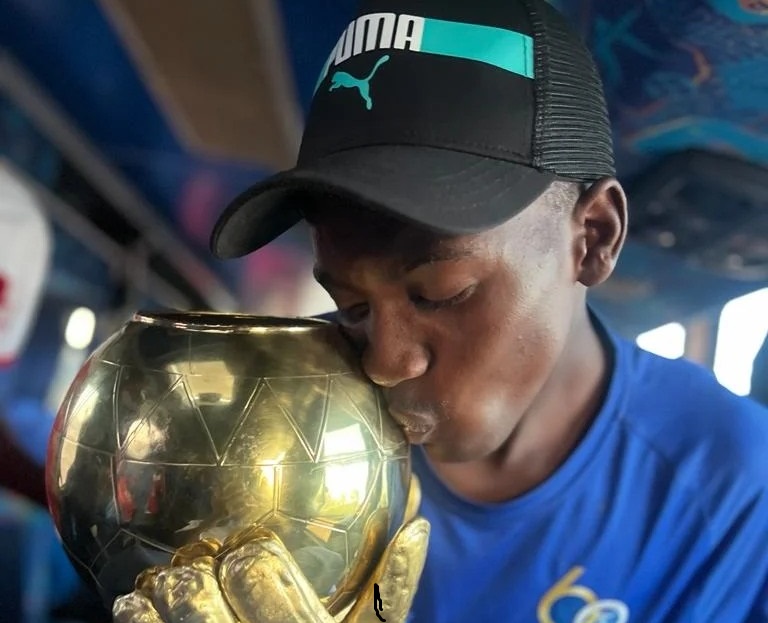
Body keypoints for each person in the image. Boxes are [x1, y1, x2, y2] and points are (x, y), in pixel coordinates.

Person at [114, 0, 768, 621]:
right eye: (351, 304)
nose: (384, 360)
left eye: (441, 291)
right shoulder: (279, 433)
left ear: (593, 236)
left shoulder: (730, 494)